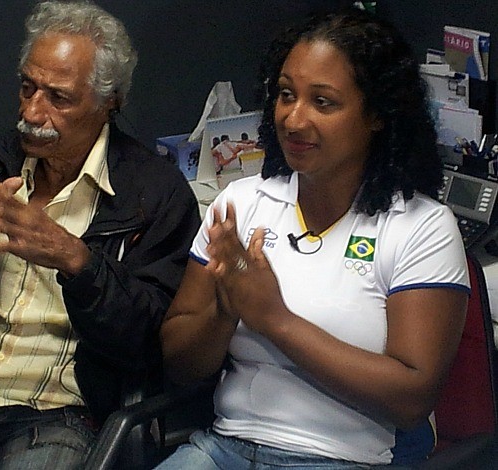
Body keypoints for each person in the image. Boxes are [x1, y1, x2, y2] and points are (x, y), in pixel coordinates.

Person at [0, 1, 200, 468]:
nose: (31, 111)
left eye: (58, 97)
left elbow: (147, 344)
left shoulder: (153, 193)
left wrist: (78, 261)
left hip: (62, 413)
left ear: (110, 101)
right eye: (28, 87)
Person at [156, 8, 469, 469]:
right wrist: (224, 310)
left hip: (340, 459)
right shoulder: (242, 203)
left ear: (378, 115)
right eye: (286, 95)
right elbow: (179, 363)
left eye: (323, 102)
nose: (293, 120)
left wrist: (274, 319)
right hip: (222, 449)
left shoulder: (420, 226)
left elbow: (410, 399)